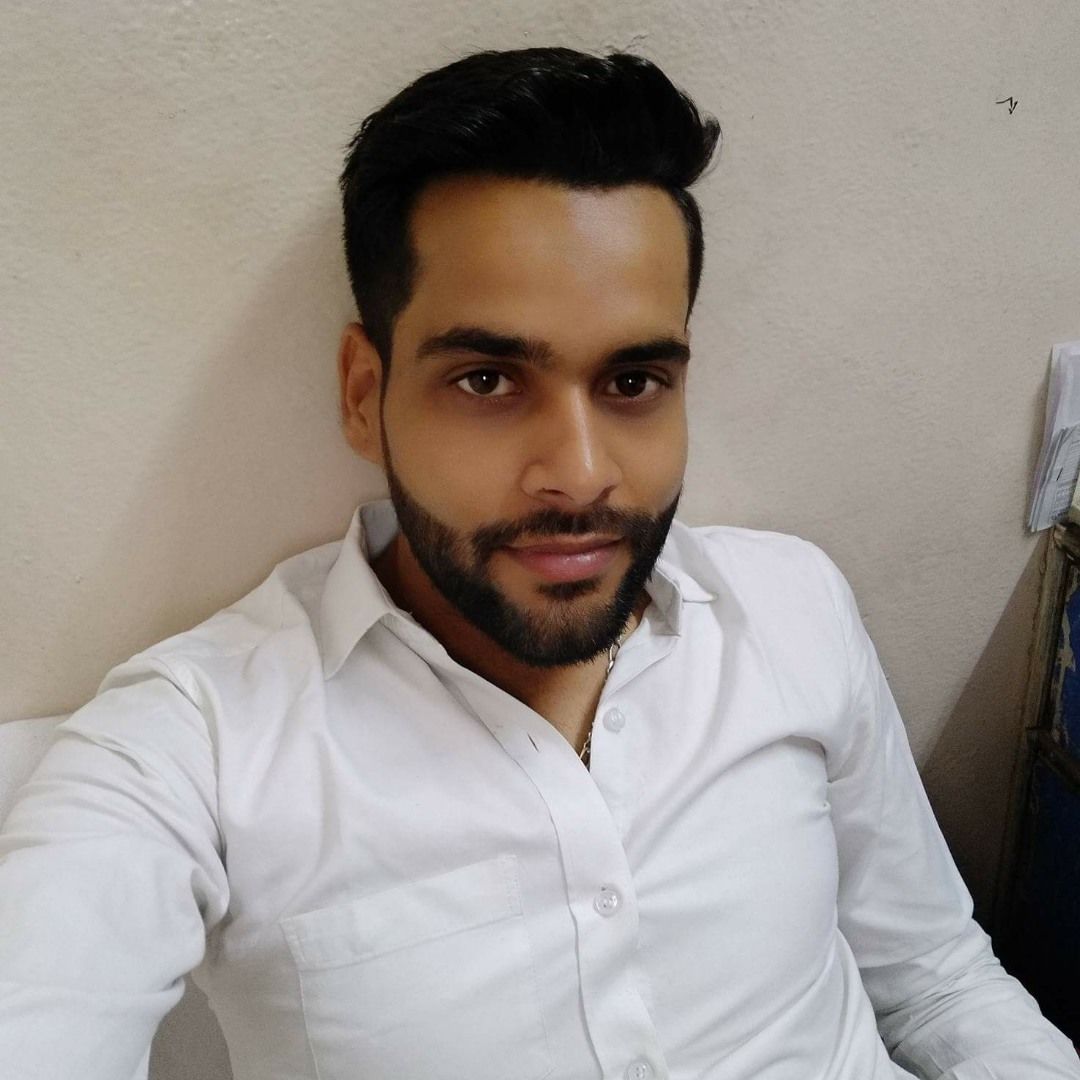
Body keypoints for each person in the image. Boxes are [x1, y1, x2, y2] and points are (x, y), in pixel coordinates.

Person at [0, 47, 1076, 1080]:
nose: (581, 474)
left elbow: (935, 981)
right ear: (365, 394)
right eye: (487, 380)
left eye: (634, 381)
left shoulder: (793, 605)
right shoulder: (190, 746)